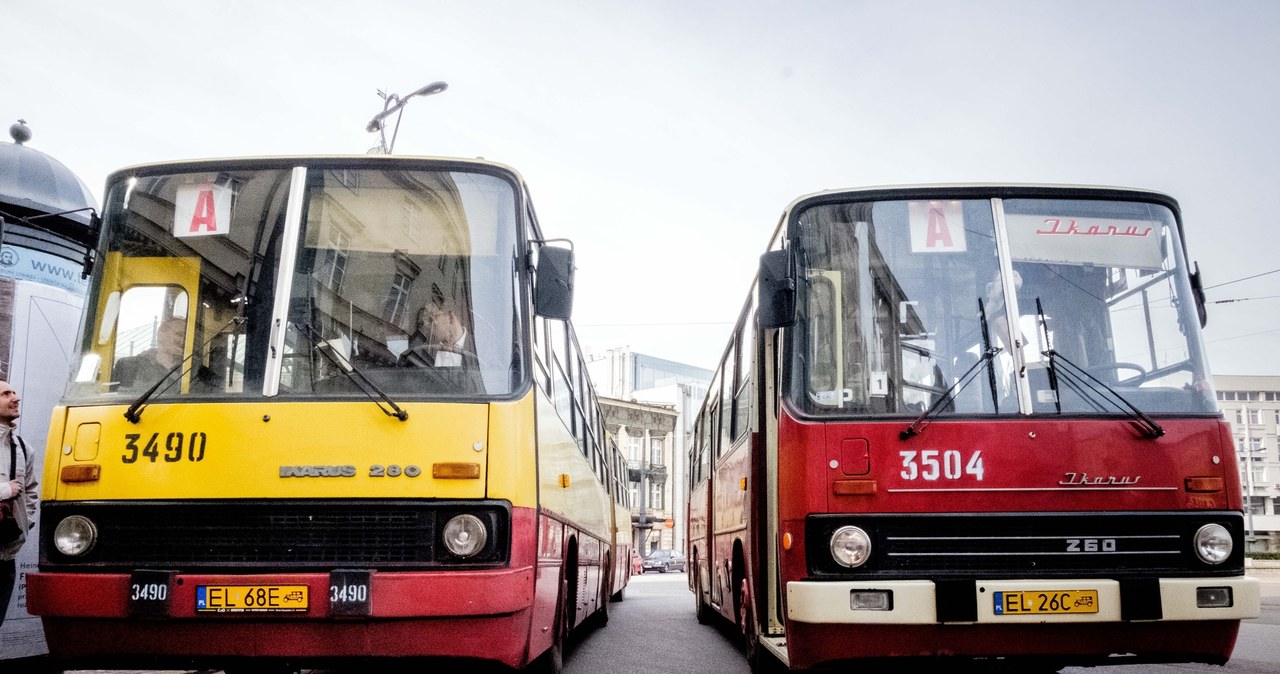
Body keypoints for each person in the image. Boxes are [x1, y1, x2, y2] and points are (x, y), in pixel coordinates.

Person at [0, 380, 37, 630]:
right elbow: (13, 490)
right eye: (6, 393)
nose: (16, 397)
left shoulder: (23, 448)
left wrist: (24, 524)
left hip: (6, 556)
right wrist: (4, 490)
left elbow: (31, 492)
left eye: (15, 392)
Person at [115, 317, 186, 390]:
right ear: (161, 336)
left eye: (186, 336)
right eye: (180, 335)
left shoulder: (194, 369)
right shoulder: (128, 366)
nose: (184, 340)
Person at [399, 301, 474, 369]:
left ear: (450, 318)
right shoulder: (424, 348)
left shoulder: (478, 352)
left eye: (431, 319)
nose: (428, 326)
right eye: (425, 323)